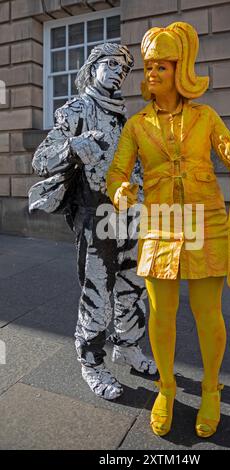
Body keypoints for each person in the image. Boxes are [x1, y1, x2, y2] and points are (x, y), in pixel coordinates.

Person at [106, 23, 230, 435]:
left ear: (179, 70)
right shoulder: (136, 126)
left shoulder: (206, 117)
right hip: (160, 224)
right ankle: (166, 388)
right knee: (161, 313)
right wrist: (120, 191)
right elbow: (117, 172)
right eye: (149, 66)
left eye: (161, 67)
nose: (151, 73)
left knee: (208, 313)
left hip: (206, 221)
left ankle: (210, 389)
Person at [29, 43, 157, 402]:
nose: (118, 72)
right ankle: (91, 363)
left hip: (130, 215)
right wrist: (73, 146)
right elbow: (40, 160)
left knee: (133, 286)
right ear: (93, 67)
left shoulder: (124, 117)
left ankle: (127, 346)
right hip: (95, 214)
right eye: (111, 64)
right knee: (98, 290)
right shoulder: (76, 110)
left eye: (124, 69)